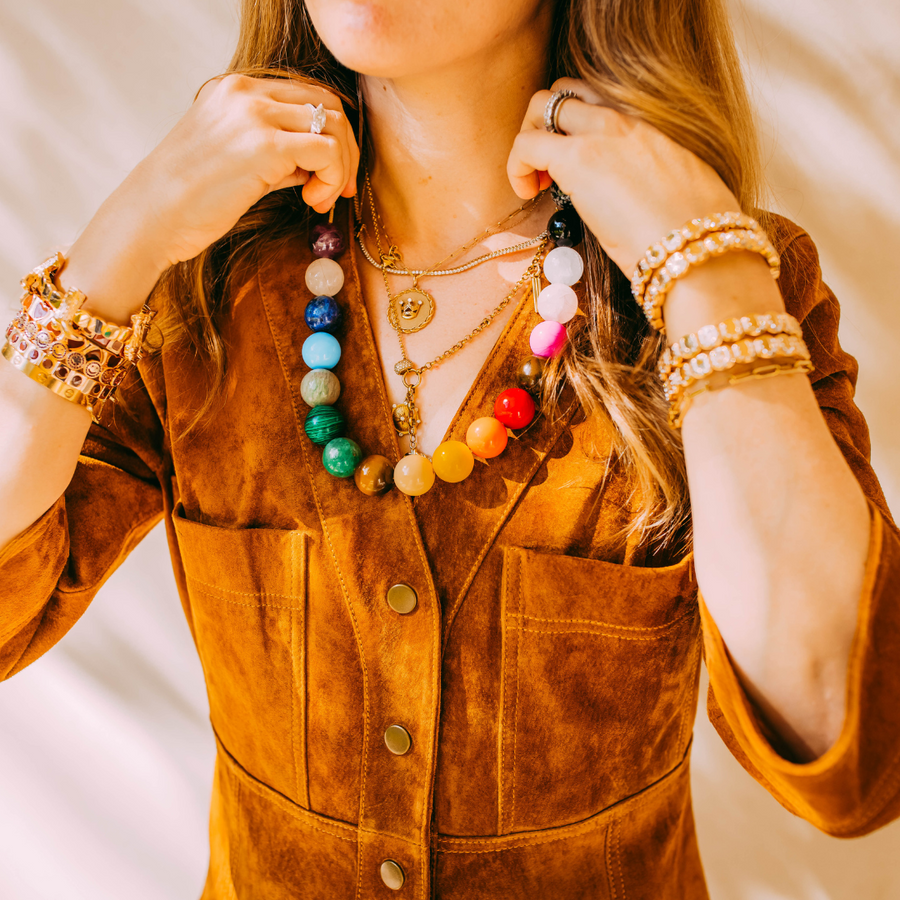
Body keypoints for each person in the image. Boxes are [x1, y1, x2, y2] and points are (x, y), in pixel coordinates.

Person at [1, 0, 898, 896]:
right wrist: (119, 244)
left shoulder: (725, 290)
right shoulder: (203, 285)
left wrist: (705, 273)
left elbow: (853, 754)